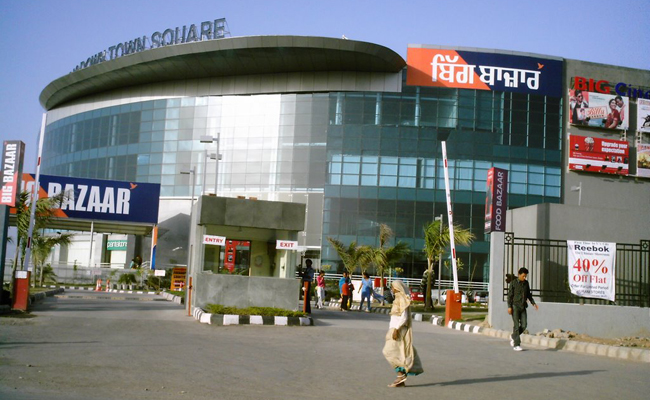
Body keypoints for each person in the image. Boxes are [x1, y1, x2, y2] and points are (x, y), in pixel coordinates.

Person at [382, 280, 423, 387]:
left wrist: (396, 329)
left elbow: (404, 317)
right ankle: (401, 378)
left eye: (392, 287)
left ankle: (401, 375)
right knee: (400, 352)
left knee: (388, 351)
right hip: (394, 329)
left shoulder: (402, 299)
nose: (391, 289)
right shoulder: (397, 299)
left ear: (397, 288)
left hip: (398, 329)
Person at [507, 267, 539, 351]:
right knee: (516, 326)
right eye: (523, 276)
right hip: (515, 306)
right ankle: (516, 345)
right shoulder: (513, 283)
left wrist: (533, 303)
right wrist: (509, 307)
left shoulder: (526, 283)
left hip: (523, 306)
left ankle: (514, 336)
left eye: (525, 276)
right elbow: (510, 296)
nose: (524, 278)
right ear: (519, 275)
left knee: (524, 325)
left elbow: (528, 295)